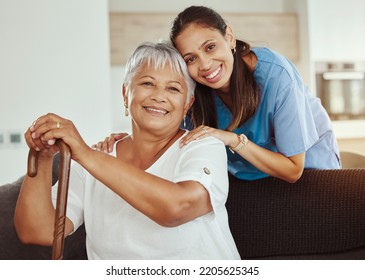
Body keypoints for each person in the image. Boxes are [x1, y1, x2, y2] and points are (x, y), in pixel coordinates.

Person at [14, 41, 240, 260]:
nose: (159, 96)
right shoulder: (94, 160)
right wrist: (42, 159)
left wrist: (85, 154)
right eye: (147, 84)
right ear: (125, 94)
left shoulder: (203, 145)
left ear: (187, 104)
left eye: (173, 88)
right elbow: (37, 232)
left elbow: (178, 207)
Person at [96, 5, 341, 183]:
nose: (205, 65)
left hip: (309, 172)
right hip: (248, 178)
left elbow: (292, 169)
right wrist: (125, 143)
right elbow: (167, 137)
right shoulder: (194, 90)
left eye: (210, 47)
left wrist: (232, 139)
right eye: (190, 58)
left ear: (230, 37)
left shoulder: (276, 75)